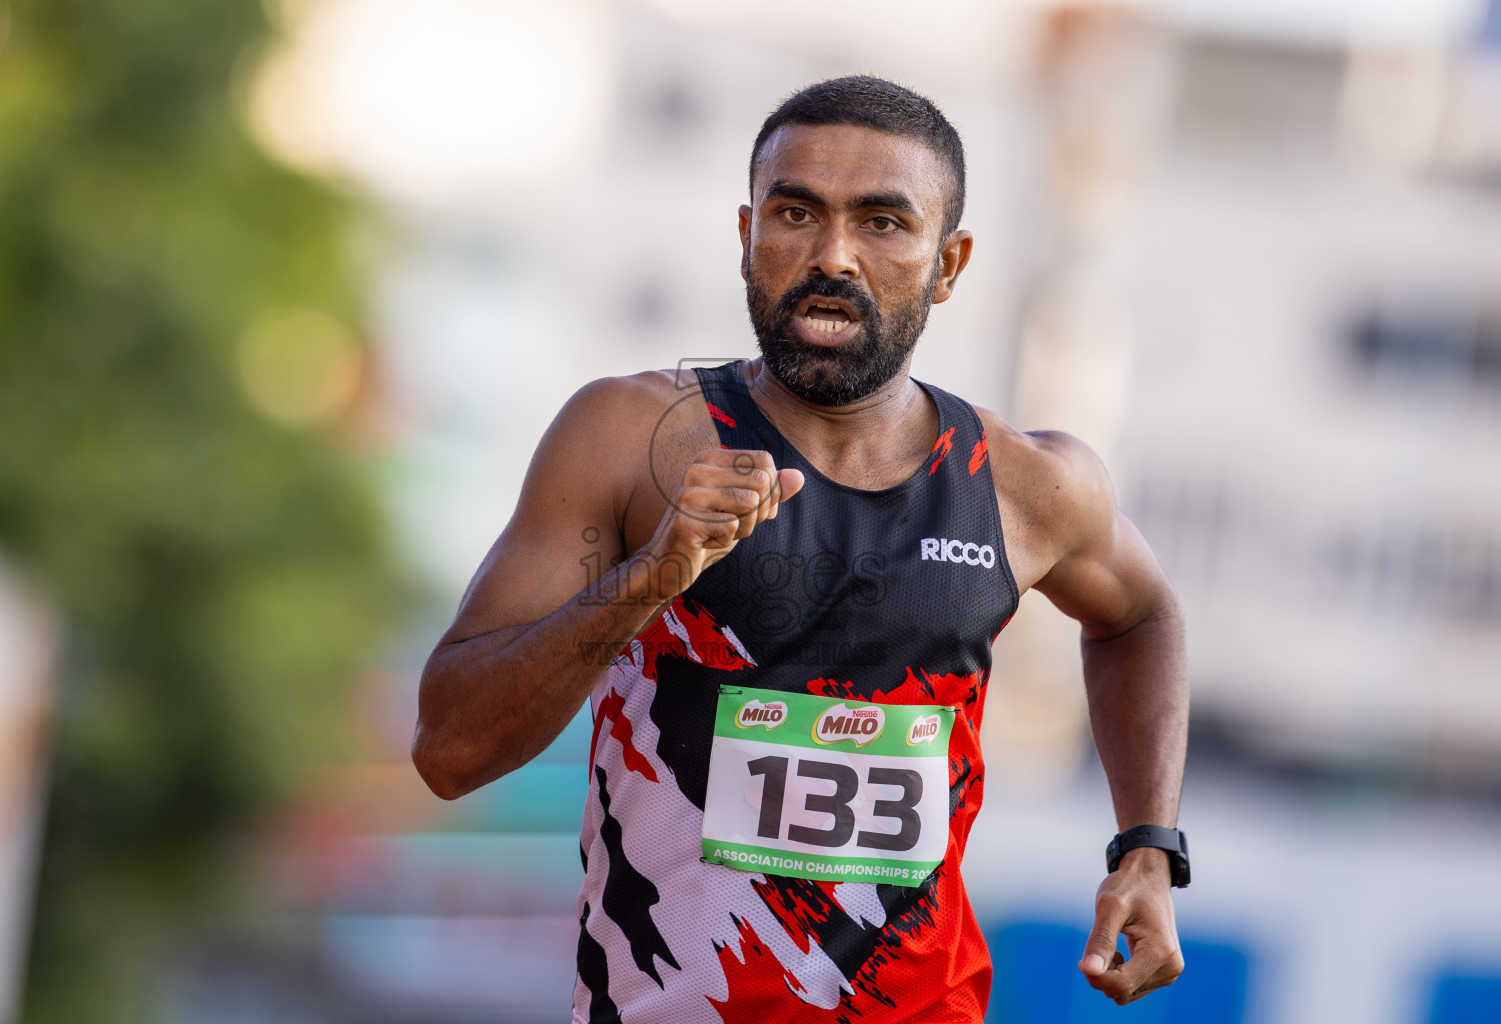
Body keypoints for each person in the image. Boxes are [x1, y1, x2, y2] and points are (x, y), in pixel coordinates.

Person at [413, 75, 1188, 1023]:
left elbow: (1142, 613)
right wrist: (654, 576)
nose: (833, 256)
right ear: (746, 237)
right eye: (795, 212)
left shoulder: (1022, 485)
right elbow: (449, 750)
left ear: (950, 266)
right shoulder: (632, 441)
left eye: (883, 223)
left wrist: (1147, 849)